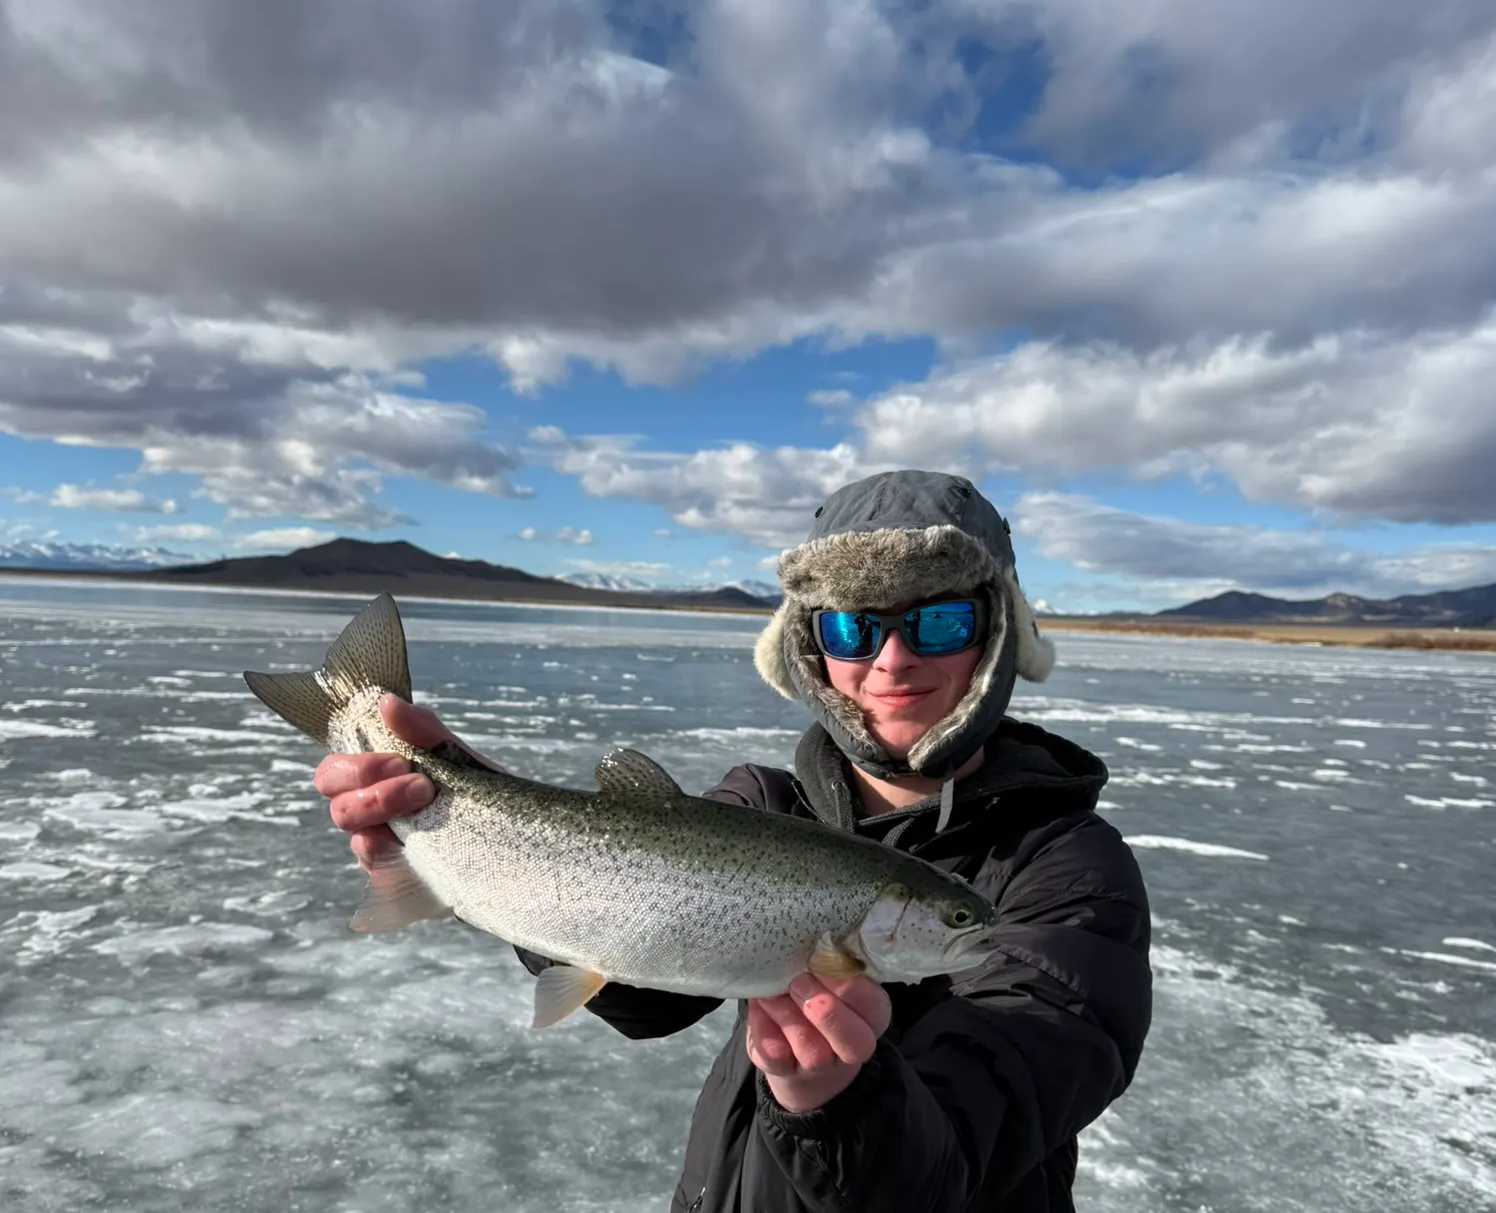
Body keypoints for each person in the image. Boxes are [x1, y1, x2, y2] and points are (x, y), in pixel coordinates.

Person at [315, 470, 1153, 1211]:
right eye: (853, 629)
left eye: (937, 623)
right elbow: (647, 997)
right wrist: (475, 831)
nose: (892, 661)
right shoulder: (764, 805)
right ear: (813, 652)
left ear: (996, 639)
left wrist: (837, 1102)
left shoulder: (1067, 870)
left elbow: (964, 1152)